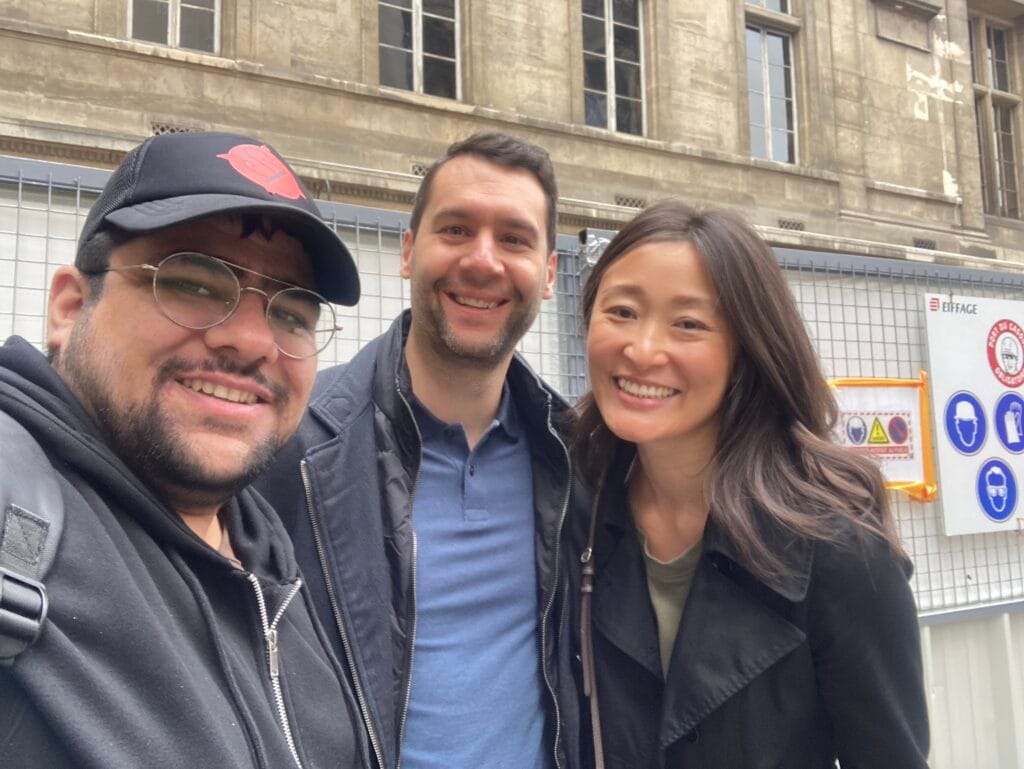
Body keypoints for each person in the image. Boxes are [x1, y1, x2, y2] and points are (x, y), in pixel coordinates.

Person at [0, 131, 370, 769]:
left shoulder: (267, 551)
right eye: (193, 283)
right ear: (69, 308)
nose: (253, 341)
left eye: (291, 314)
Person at [257, 132, 582, 769]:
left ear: (548, 275)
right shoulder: (288, 443)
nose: (483, 261)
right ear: (408, 252)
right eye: (456, 230)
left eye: (514, 239)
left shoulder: (576, 456)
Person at [570, 200, 930, 769]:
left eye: (688, 323)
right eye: (621, 311)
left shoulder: (838, 552)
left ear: (747, 350)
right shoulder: (569, 510)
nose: (640, 350)